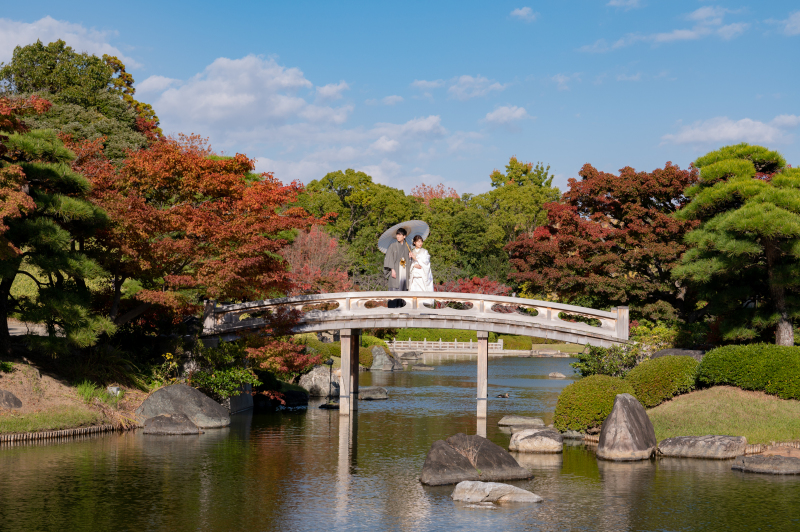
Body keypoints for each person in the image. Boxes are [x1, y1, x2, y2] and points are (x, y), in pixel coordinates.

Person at [383, 228, 412, 308]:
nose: (398, 236)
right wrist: (392, 269)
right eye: (397, 234)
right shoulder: (392, 246)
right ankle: (393, 310)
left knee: (403, 288)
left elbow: (410, 261)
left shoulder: (408, 247)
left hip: (404, 270)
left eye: (400, 235)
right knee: (395, 288)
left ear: (404, 236)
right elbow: (389, 258)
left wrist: (410, 257)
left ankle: (402, 309)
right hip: (395, 269)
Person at [408, 235, 435, 306]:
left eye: (421, 241)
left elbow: (426, 262)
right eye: (418, 241)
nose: (420, 243)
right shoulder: (411, 252)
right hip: (414, 277)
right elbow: (408, 264)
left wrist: (416, 258)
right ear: (414, 242)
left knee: (422, 295)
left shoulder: (424, 252)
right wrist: (413, 264)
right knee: (414, 295)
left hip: (422, 277)